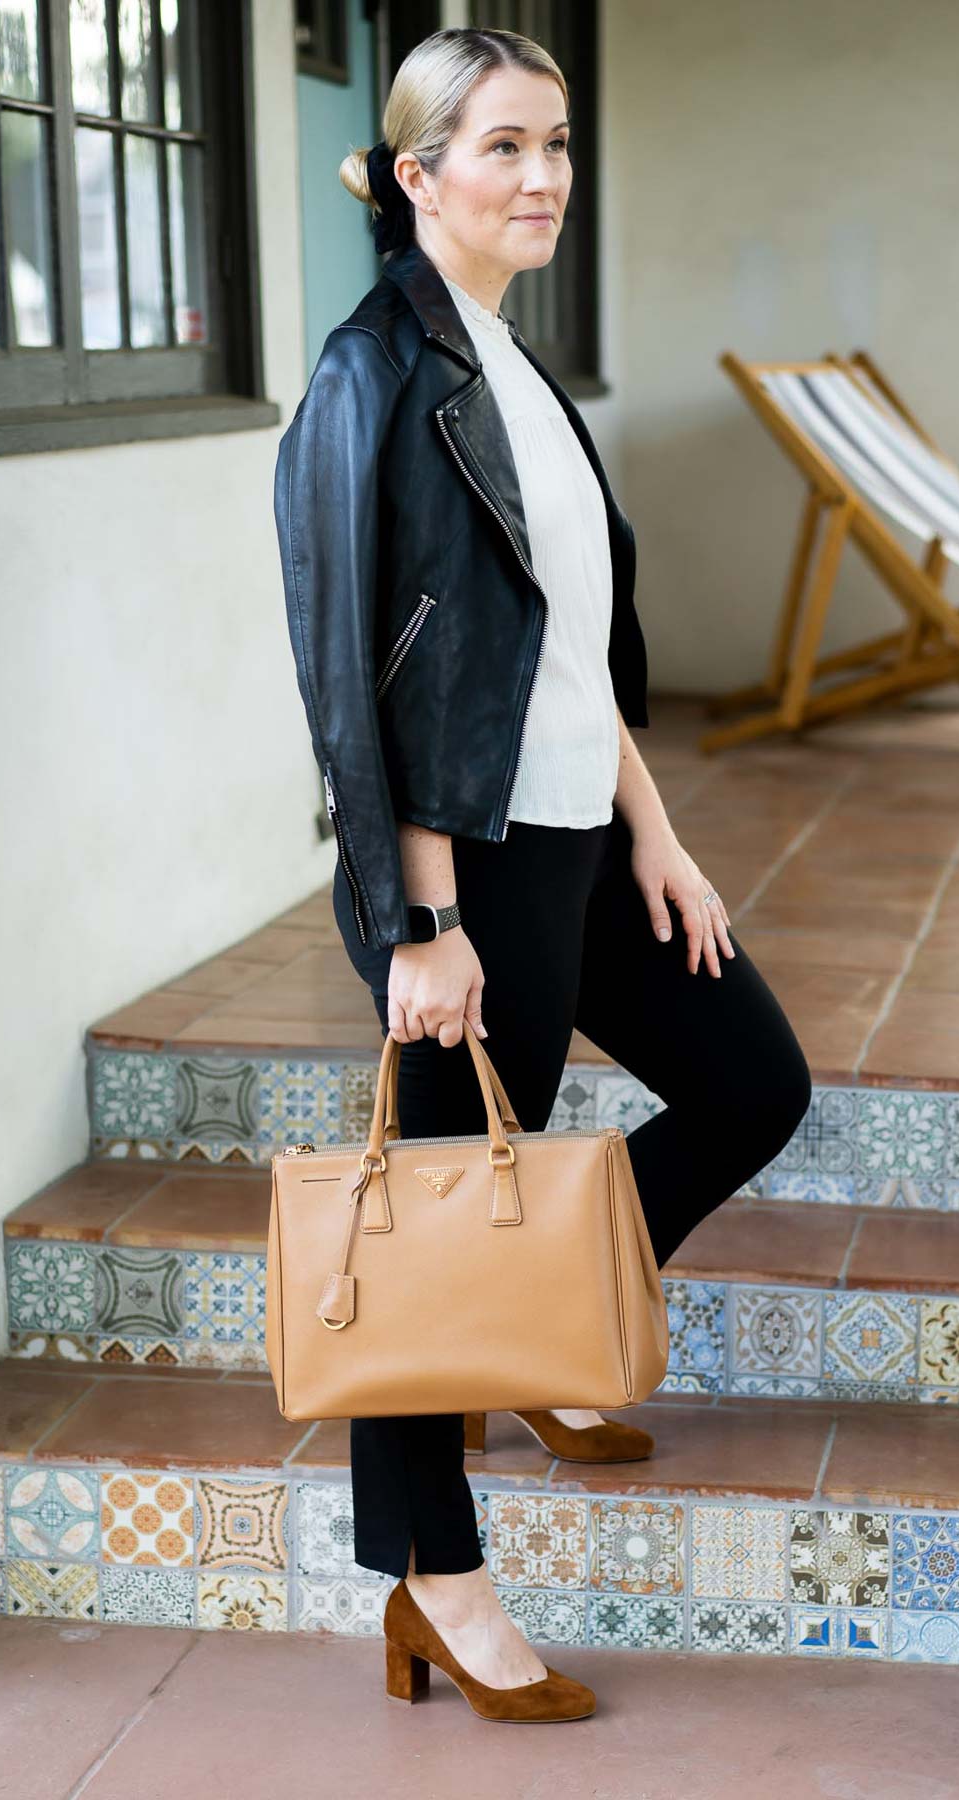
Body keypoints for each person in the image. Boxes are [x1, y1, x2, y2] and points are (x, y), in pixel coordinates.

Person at [274, 25, 812, 1724]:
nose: (543, 178)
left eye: (558, 145)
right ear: (416, 175)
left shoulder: (519, 371)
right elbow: (363, 671)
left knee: (751, 1082)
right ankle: (436, 1579)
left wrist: (658, 828)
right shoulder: (373, 377)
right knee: (434, 1217)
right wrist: (419, 919)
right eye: (502, 147)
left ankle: (531, 1338)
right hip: (469, 871)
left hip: (586, 833)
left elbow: (564, 650)